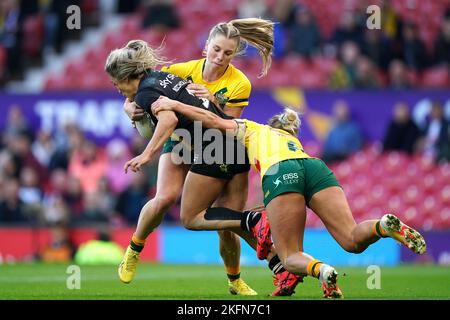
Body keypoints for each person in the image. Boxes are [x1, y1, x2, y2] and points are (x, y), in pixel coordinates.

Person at [151, 96, 427, 299]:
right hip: (315, 167)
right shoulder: (293, 140)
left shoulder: (254, 129)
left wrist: (175, 105)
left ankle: (322, 271)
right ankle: (383, 225)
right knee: (352, 239)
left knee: (290, 255)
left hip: (282, 172)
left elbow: (211, 120)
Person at [105, 23, 299, 296]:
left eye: (227, 53)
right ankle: (134, 250)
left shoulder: (239, 83)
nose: (220, 57)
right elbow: (143, 87)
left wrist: (212, 101)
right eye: (216, 49)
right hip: (184, 140)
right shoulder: (183, 70)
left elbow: (231, 124)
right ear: (206, 46)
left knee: (226, 224)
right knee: (164, 198)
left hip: (221, 146)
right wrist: (129, 107)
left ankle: (239, 278)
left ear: (233, 56)